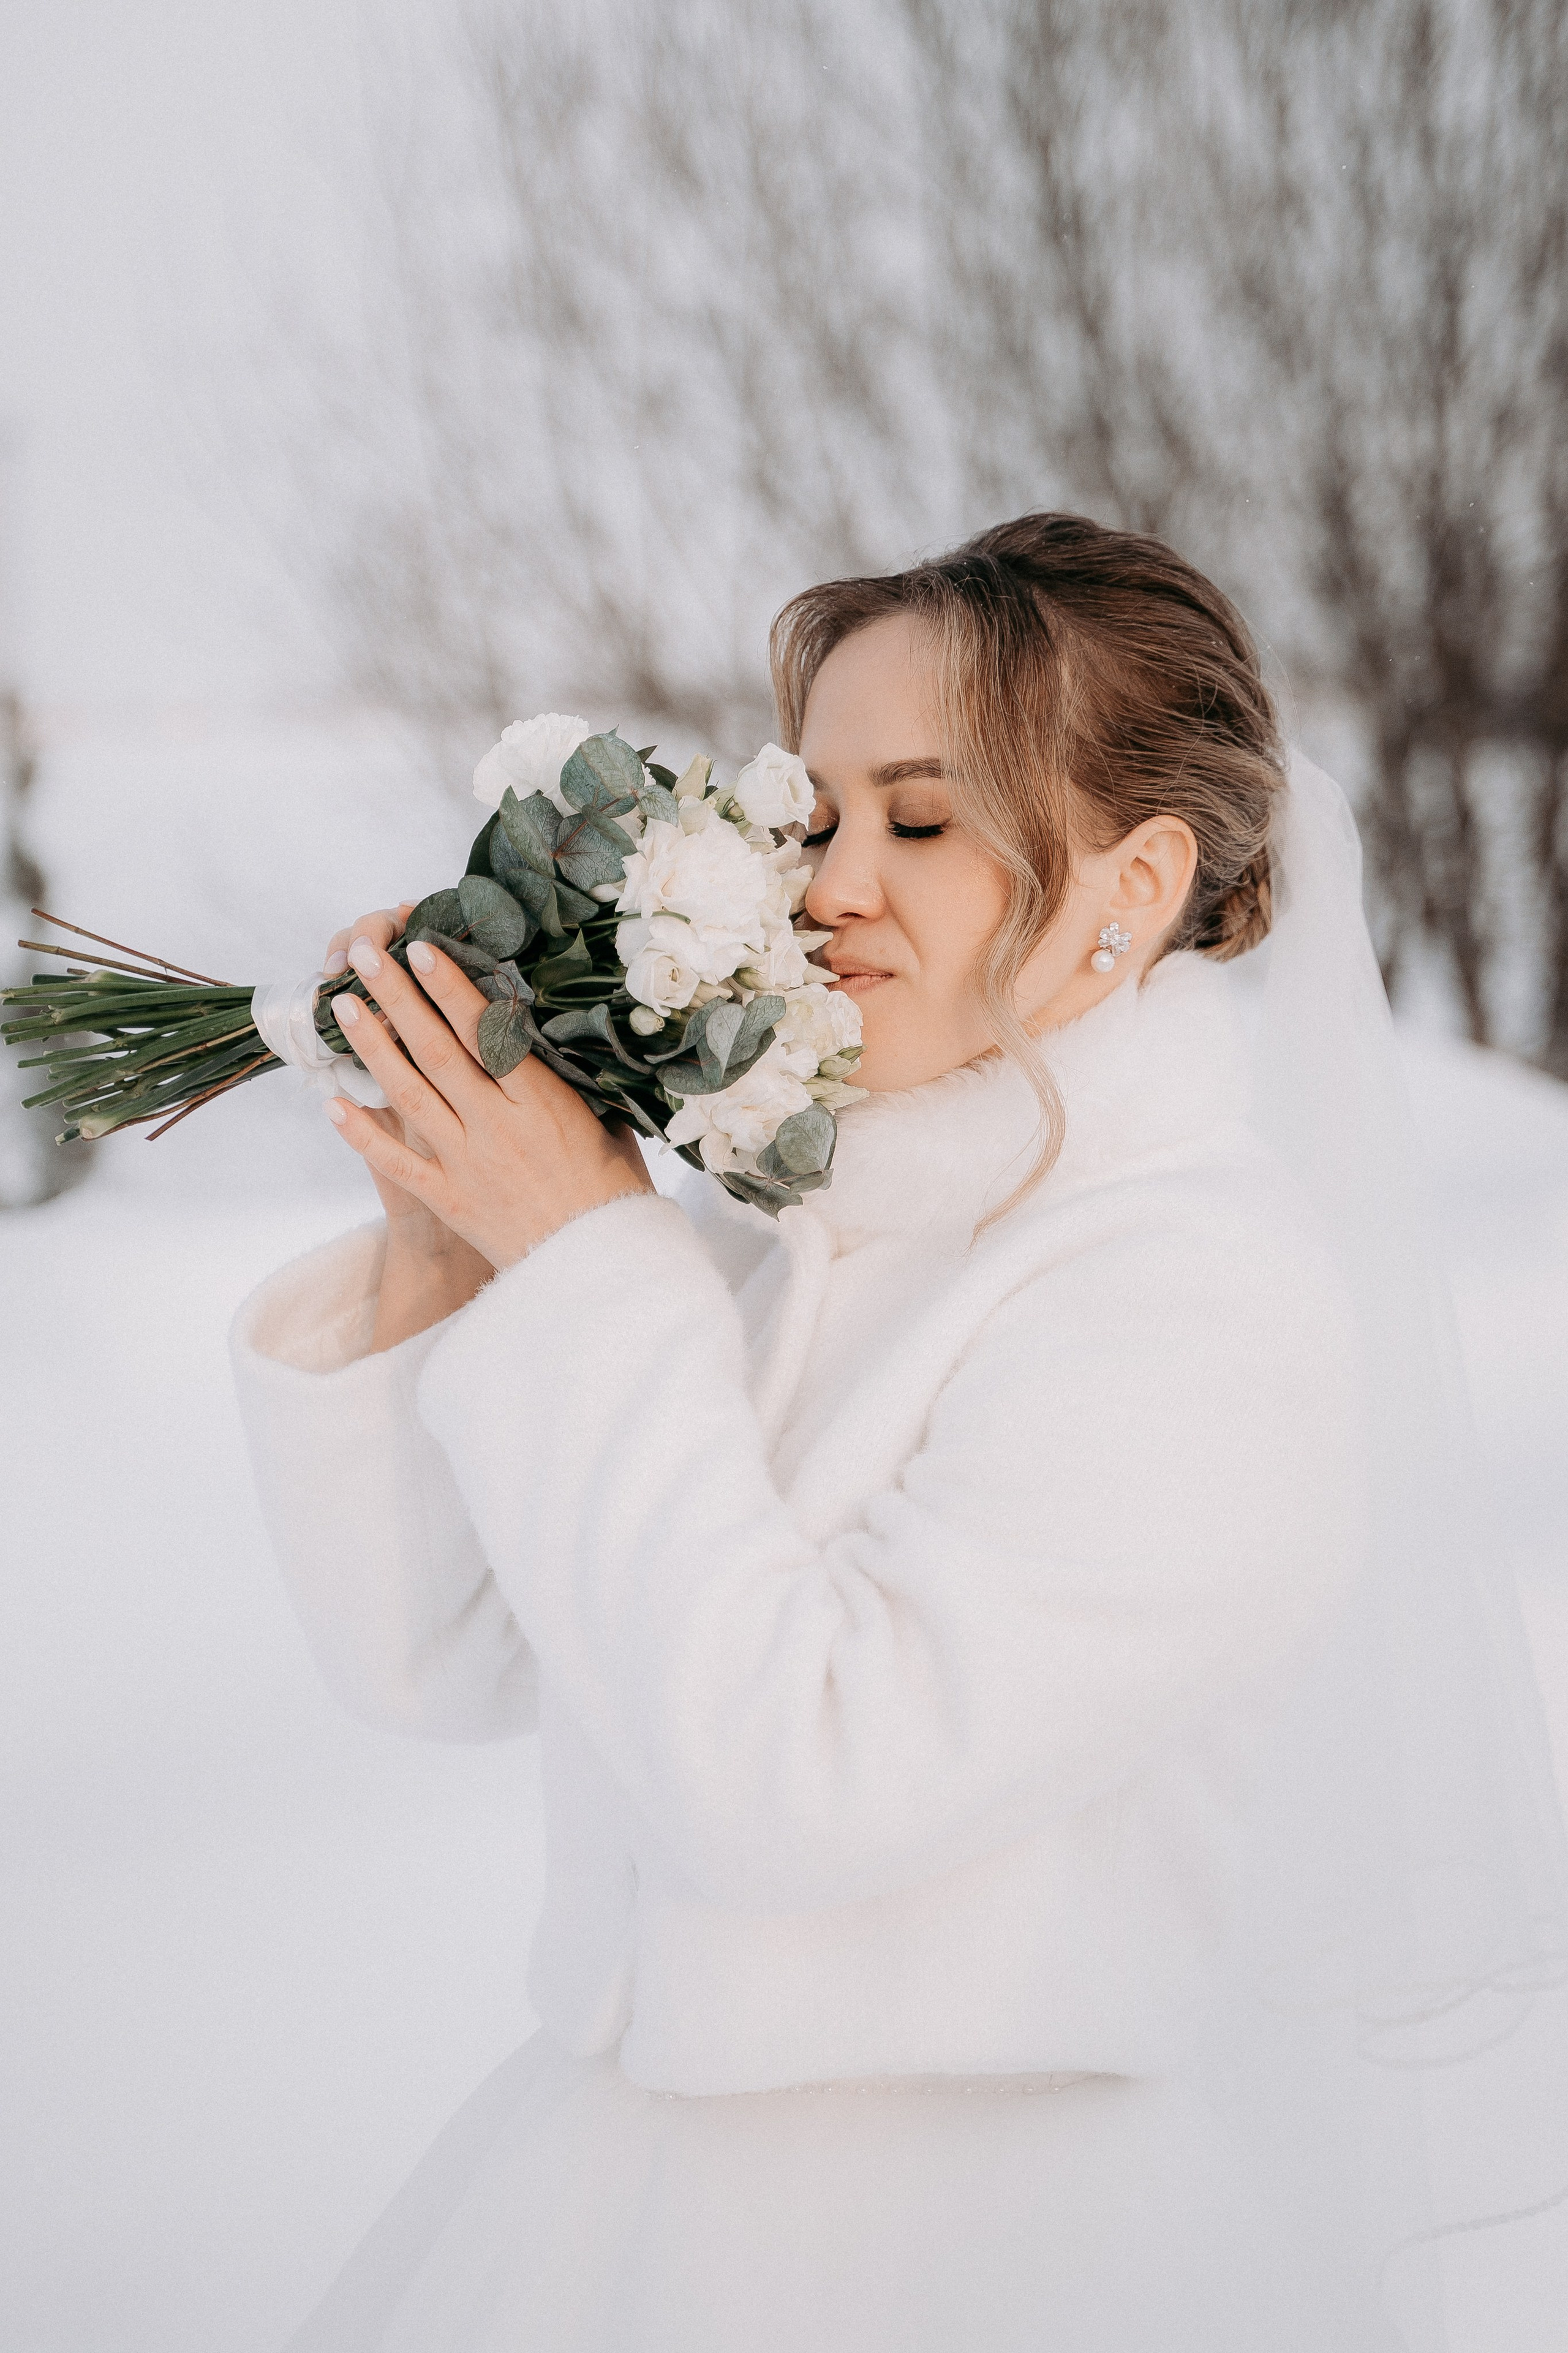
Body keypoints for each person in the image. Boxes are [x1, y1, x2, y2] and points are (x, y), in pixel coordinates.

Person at [231, 514, 1568, 2352]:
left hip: (988, 2259)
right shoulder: (825, 1227)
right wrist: (450, 1240)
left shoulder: (1198, 1301)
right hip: (629, 2214)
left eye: (920, 822)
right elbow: (441, 1654)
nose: (832, 884)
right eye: (815, 818)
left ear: (1137, 880)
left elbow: (803, 1776)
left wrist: (580, 1255)